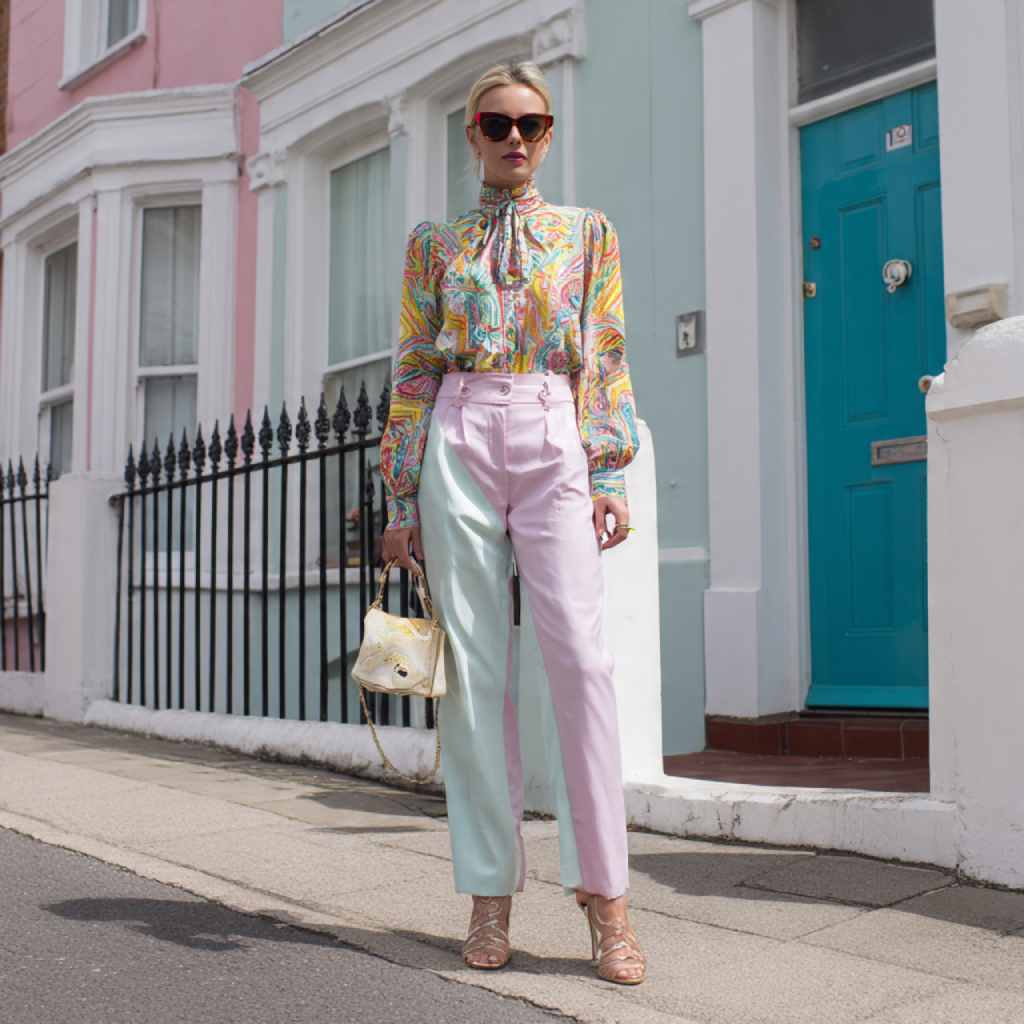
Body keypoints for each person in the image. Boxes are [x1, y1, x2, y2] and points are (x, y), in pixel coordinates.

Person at [380, 58, 644, 985]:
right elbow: (414, 365)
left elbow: (602, 354)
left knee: (581, 656)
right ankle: (490, 890)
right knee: (477, 668)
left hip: (550, 427)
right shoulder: (433, 243)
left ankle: (606, 898)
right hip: (457, 429)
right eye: (498, 123)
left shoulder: (588, 235)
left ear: (548, 135)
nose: (517, 140)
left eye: (533, 125)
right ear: (472, 134)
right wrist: (400, 492)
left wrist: (608, 466)